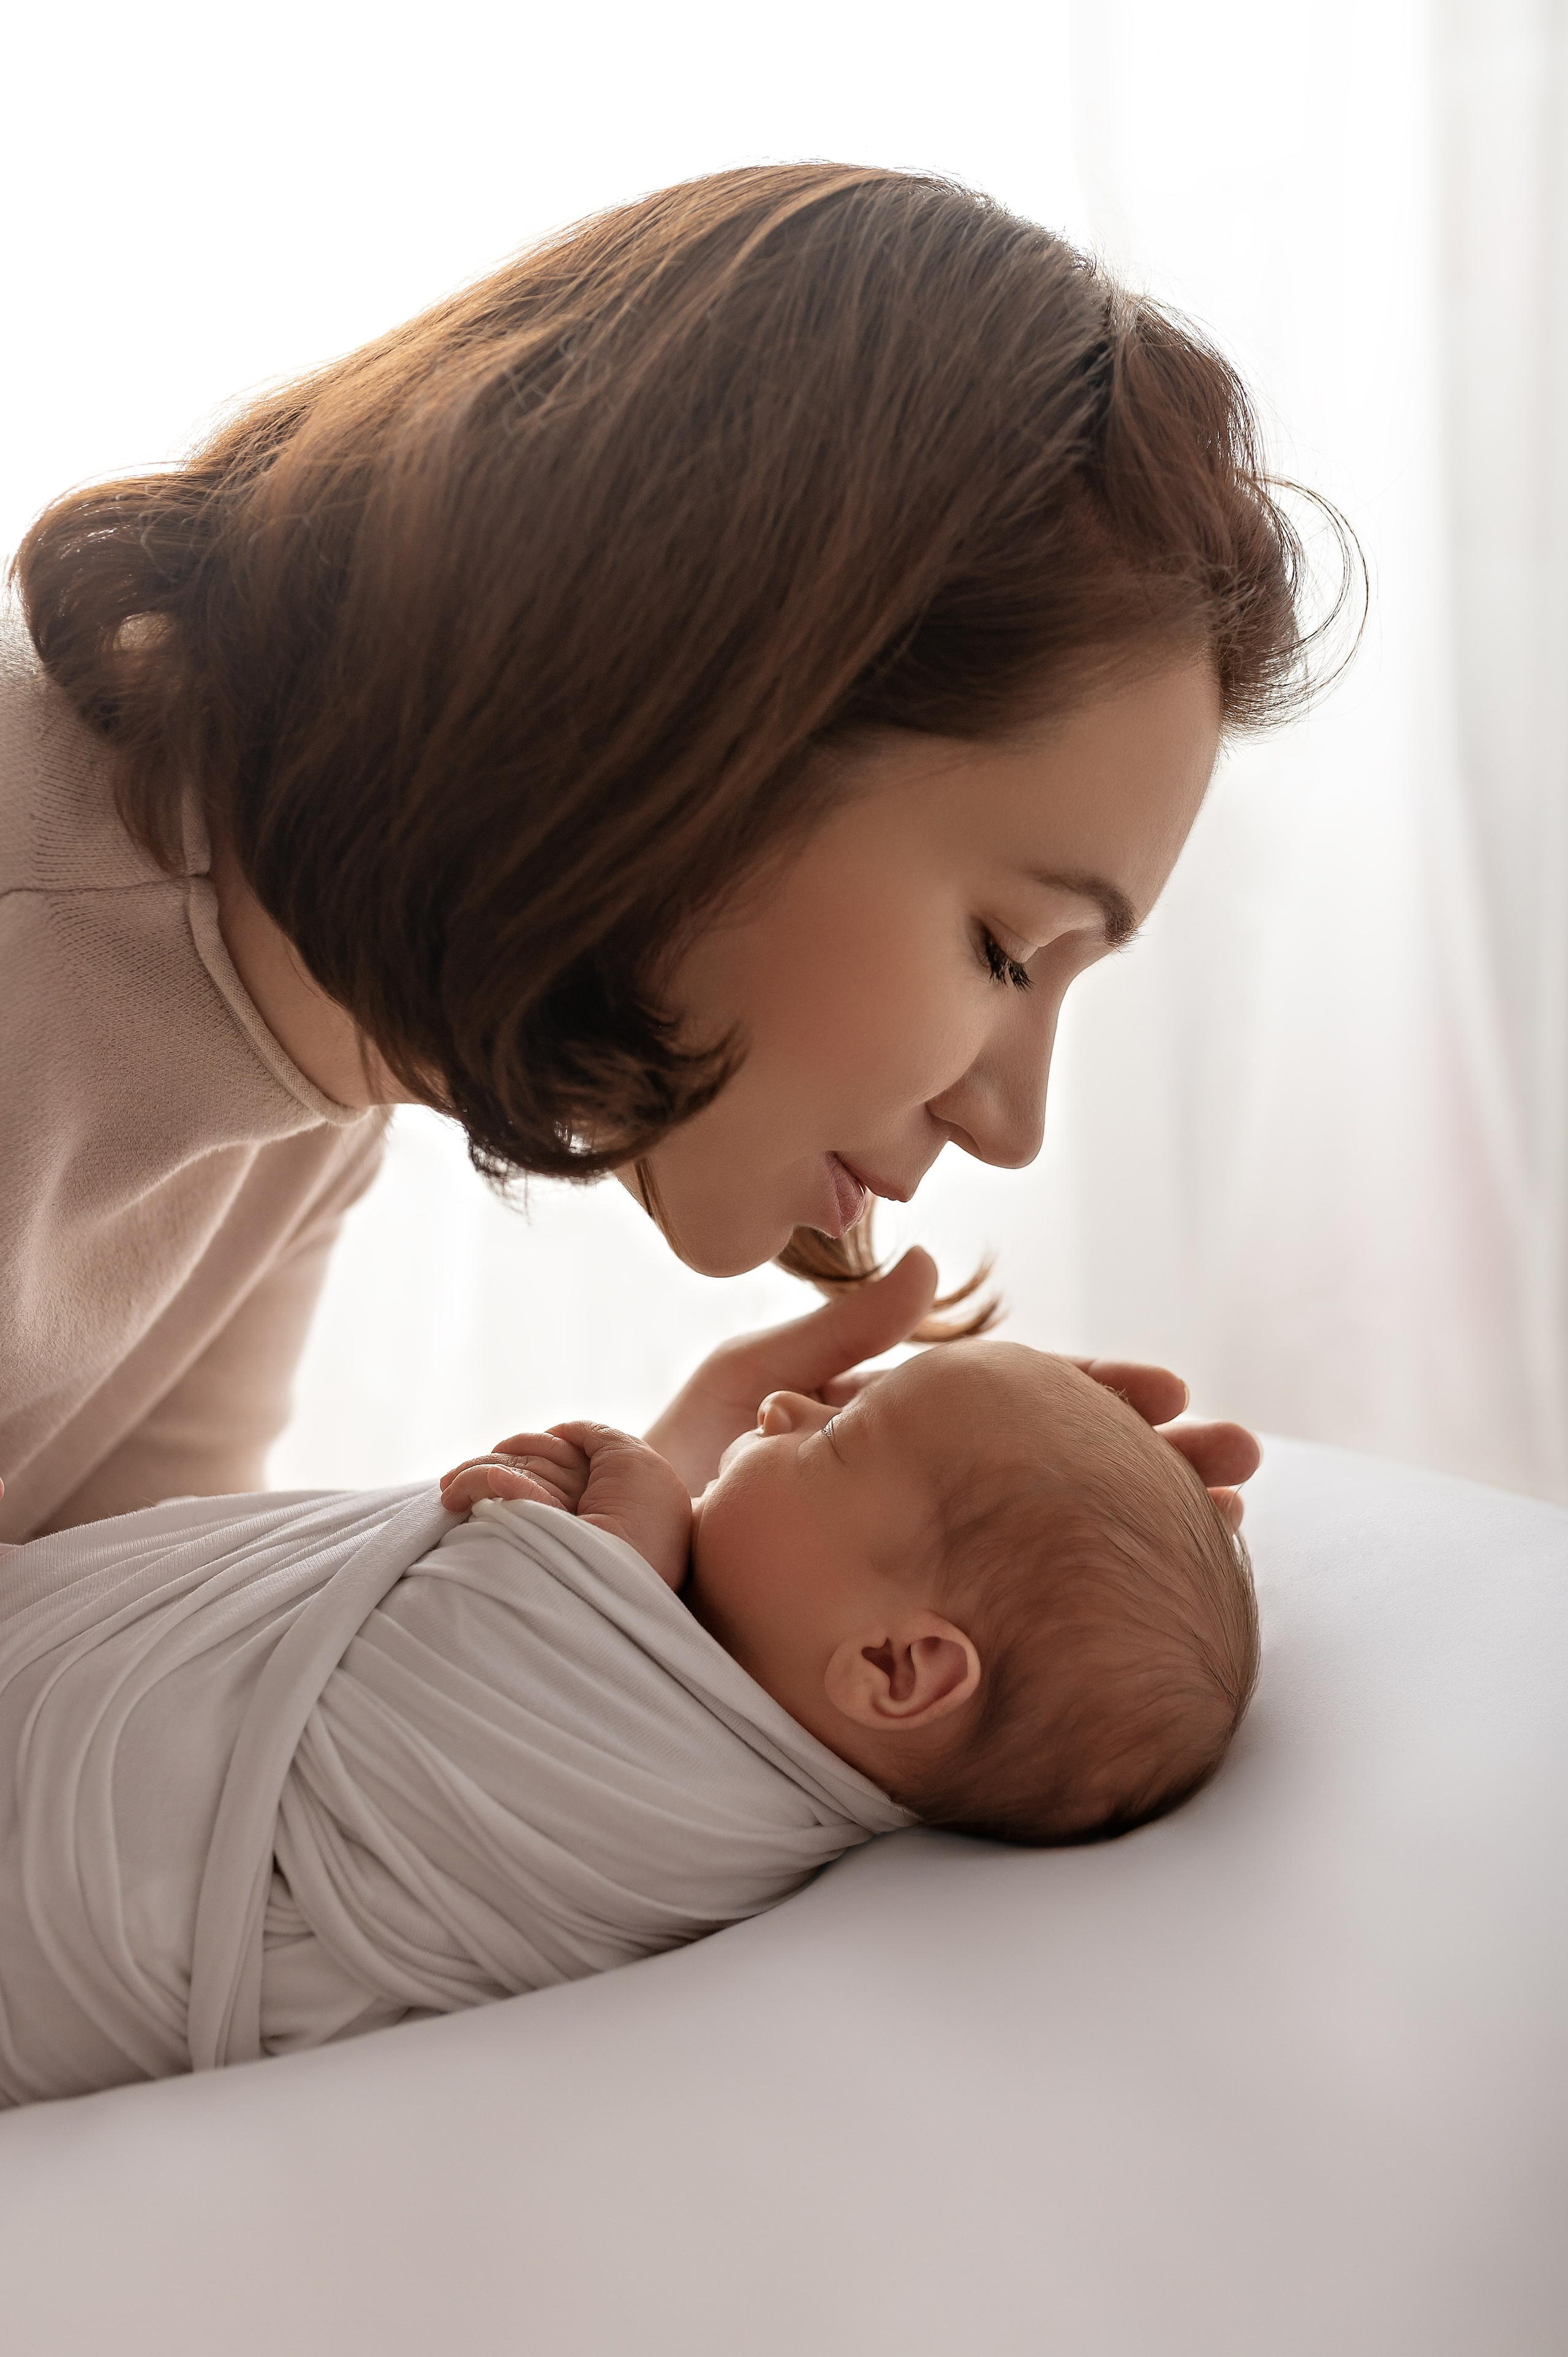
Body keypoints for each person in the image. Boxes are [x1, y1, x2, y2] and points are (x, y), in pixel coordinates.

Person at [1, 160, 1331, 1547]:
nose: (1010, 1124)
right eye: (1004, 949)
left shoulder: (301, 1057)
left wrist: (684, 1558)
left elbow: (86, 1677)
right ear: (702, 709)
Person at [0, 1335, 1255, 2105]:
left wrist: (564, 1581)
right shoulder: (724, 1700)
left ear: (890, 1664)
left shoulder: (697, 1811)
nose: (782, 1409)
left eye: (835, 1437)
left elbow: (398, 1733)